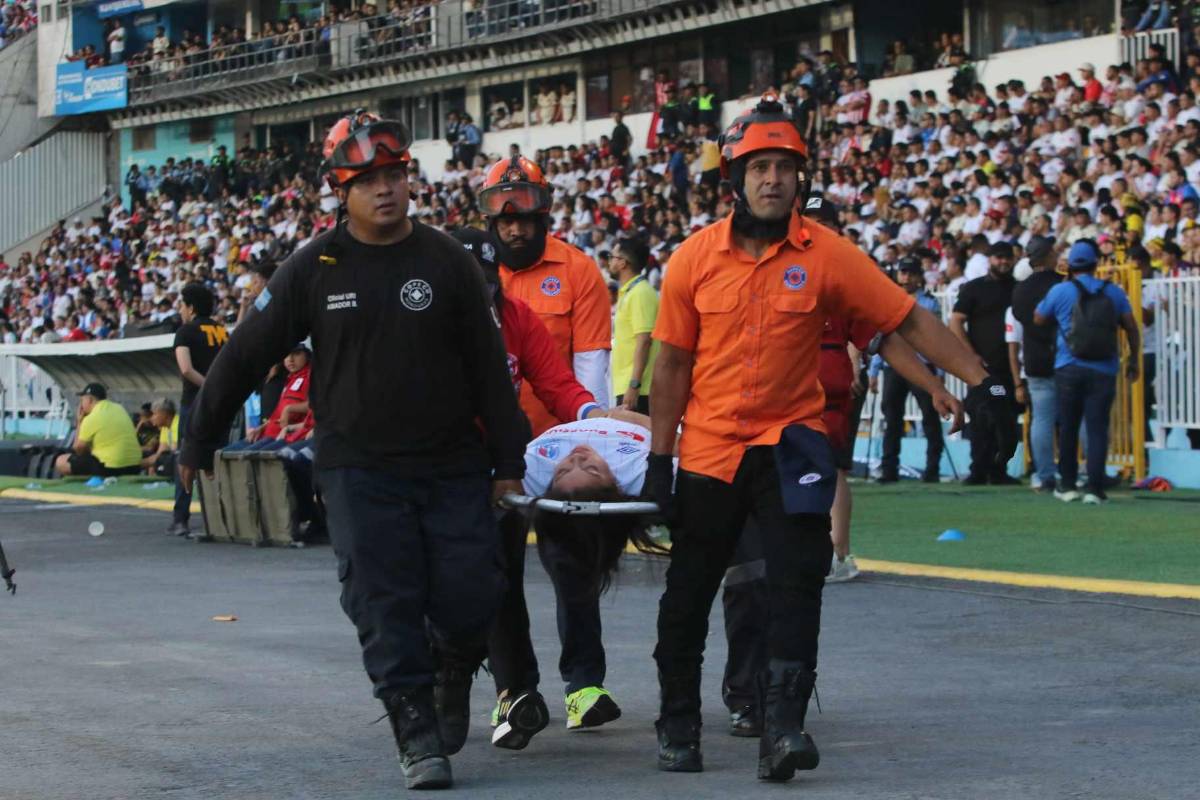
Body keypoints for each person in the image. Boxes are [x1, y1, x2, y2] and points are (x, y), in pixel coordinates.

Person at [644, 93, 1012, 781]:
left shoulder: (828, 256)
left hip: (792, 443)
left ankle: (783, 729)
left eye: (784, 167)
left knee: (797, 584)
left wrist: (980, 382)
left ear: (800, 179)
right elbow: (670, 365)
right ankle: (678, 725)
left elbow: (906, 318)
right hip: (710, 450)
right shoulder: (693, 259)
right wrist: (661, 459)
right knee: (688, 592)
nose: (772, 180)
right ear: (735, 178)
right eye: (759, 167)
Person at [178, 111, 528, 791]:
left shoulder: (447, 260)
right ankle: (413, 726)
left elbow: (491, 368)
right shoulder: (313, 266)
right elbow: (246, 352)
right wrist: (199, 438)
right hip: (357, 469)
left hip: (452, 462)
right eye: (367, 180)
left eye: (393, 175)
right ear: (342, 189)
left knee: (472, 593)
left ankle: (453, 666)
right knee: (382, 599)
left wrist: (508, 463)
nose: (384, 190)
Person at [451, 226, 641, 747]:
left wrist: (596, 414)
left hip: (529, 457)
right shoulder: (426, 324)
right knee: (496, 577)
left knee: (572, 559)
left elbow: (555, 381)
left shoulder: (517, 316)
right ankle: (515, 693)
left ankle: (582, 686)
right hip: (458, 466)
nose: (484, 293)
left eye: (491, 282)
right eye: (472, 281)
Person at [482, 154, 613, 437]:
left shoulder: (579, 270)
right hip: (481, 443)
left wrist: (589, 436)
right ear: (491, 223)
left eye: (525, 221)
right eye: (506, 222)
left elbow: (591, 367)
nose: (516, 230)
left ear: (542, 218)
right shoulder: (472, 271)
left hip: (554, 442)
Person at [1035, 240, 1140, 505]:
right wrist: (1134, 361)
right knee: (1097, 428)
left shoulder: (1061, 291)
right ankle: (1095, 487)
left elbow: (1038, 317)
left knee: (1068, 427)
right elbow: (1131, 327)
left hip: (1068, 367)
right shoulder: (1114, 292)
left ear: (1070, 266)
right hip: (1104, 368)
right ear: (1096, 264)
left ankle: (1067, 485)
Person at [950, 241, 1019, 485]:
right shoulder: (974, 288)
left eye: (1007, 257)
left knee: (1006, 421)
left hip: (1010, 368)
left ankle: (999, 471)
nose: (1003, 262)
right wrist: (971, 355)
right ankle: (979, 470)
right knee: (981, 418)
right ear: (990, 259)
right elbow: (956, 321)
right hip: (982, 371)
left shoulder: (1017, 288)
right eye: (999, 257)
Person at [873, 257, 946, 484]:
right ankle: (889, 468)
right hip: (892, 366)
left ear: (918, 276)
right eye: (902, 273)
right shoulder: (887, 300)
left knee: (930, 418)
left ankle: (932, 468)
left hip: (922, 365)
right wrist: (875, 371)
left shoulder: (929, 303)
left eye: (910, 273)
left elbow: (938, 339)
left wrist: (940, 372)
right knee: (892, 418)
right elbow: (880, 336)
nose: (906, 277)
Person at [171, 282, 228, 537]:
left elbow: (185, 368)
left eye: (182, 304)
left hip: (195, 401)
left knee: (187, 460)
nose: (181, 309)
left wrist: (207, 387)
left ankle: (180, 518)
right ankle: (218, 517)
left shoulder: (185, 332)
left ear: (191, 307)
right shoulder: (221, 331)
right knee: (214, 461)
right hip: (221, 403)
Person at [1006, 235, 1061, 491]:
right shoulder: (1062, 285)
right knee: (1075, 417)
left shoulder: (1020, 290)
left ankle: (1044, 473)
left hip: (1035, 359)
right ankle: (1078, 470)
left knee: (1041, 419)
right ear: (1048, 256)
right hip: (1064, 357)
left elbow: (1019, 318)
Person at [226, 344, 311, 450]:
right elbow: (276, 415)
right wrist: (260, 428)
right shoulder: (290, 377)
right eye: (286, 355)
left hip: (284, 436)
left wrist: (289, 409)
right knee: (225, 453)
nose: (290, 359)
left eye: (296, 354)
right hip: (265, 433)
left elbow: (319, 405)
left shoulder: (311, 376)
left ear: (307, 355)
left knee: (247, 457)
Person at [608, 238, 659, 413]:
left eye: (612, 256)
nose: (609, 261)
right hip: (629, 385)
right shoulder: (631, 292)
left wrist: (634, 384)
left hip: (639, 389)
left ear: (622, 263)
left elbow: (644, 341)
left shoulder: (641, 293)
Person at [55, 383, 144, 478]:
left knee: (61, 461)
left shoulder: (91, 418)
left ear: (89, 400)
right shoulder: (119, 408)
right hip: (134, 467)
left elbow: (78, 449)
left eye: (82, 400)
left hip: (111, 468)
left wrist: (79, 422)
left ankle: (84, 486)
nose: (81, 404)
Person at [141, 398, 180, 477]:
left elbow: (174, 454)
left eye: (155, 414)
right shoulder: (165, 428)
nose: (152, 418)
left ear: (164, 414)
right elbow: (160, 453)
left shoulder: (178, 424)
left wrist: (135, 465)